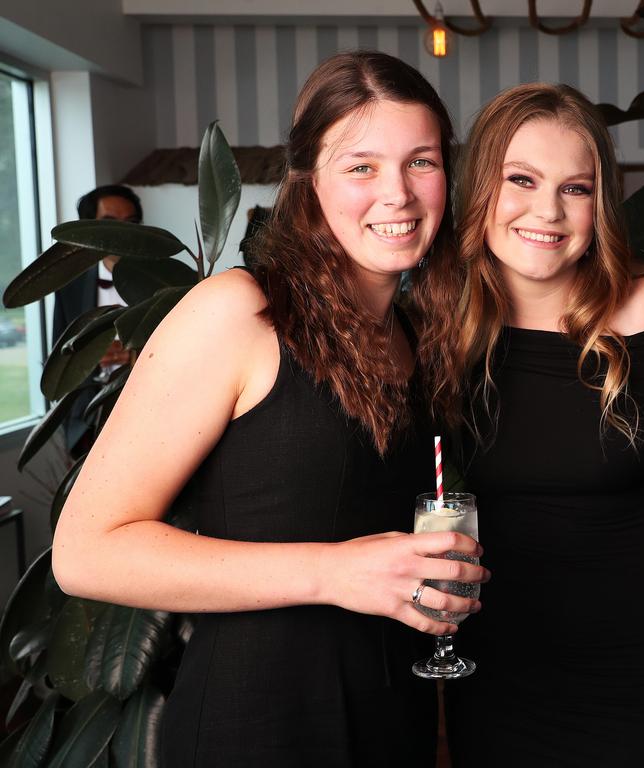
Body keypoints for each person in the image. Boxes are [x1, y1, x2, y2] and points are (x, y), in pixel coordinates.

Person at [52, 52, 488, 767]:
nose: (398, 195)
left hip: (390, 724)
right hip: (257, 728)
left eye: (421, 162)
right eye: (360, 167)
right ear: (309, 182)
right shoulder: (239, 311)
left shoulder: (414, 336)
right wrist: (334, 573)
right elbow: (84, 552)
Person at [418, 83, 644, 766]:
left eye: (576, 188)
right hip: (495, 677)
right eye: (522, 180)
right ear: (480, 184)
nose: (548, 210)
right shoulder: (431, 326)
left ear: (602, 202)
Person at [52, 184, 140, 456]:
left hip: (148, 413)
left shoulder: (164, 283)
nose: (123, 232)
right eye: (110, 223)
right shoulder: (70, 286)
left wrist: (134, 355)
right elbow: (57, 359)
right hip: (88, 425)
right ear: (89, 229)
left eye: (131, 223)